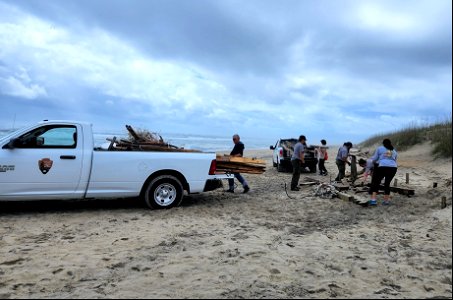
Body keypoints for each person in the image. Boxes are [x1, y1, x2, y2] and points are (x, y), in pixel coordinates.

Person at [369, 139, 398, 206]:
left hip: (382, 167)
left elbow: (375, 158)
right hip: (393, 168)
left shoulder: (380, 148)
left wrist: (373, 163)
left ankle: (373, 200)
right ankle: (386, 201)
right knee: (387, 184)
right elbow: (394, 160)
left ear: (383, 143)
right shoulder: (394, 150)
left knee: (376, 182)